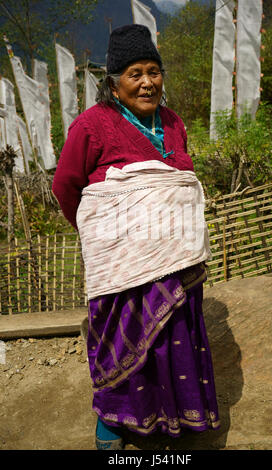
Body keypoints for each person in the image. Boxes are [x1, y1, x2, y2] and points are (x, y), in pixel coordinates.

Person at [52, 24, 220, 450]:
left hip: (177, 262)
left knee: (174, 340)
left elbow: (180, 181)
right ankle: (113, 418)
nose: (147, 82)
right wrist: (105, 235)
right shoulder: (92, 126)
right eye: (134, 73)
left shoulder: (174, 123)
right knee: (121, 340)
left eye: (154, 71)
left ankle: (175, 421)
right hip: (120, 267)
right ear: (113, 83)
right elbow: (67, 186)